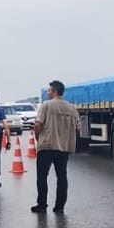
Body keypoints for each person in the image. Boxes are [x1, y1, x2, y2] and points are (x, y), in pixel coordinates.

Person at [32, 79, 80, 214]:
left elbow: (37, 124)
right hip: (63, 148)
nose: (47, 93)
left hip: (47, 146)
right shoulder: (71, 108)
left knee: (42, 177)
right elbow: (77, 128)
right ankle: (60, 206)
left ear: (55, 91)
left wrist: (38, 138)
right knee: (62, 176)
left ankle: (42, 205)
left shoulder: (46, 105)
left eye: (49, 90)